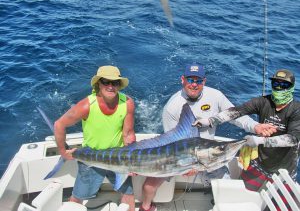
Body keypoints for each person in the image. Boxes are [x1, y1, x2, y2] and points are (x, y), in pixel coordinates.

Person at [139, 63, 276, 211]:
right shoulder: (172, 107)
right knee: (149, 185)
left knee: (226, 186)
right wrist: (187, 163)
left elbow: (235, 115)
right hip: (180, 158)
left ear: (203, 82)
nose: (194, 84)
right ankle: (145, 207)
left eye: (198, 81)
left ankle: (218, 202)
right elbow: (173, 142)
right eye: (190, 80)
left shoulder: (215, 96)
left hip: (211, 155)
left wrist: (255, 126)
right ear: (183, 80)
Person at [193, 69, 300, 192]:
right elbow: (237, 111)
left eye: (284, 84)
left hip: (284, 170)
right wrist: (211, 121)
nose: (279, 87)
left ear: (292, 87)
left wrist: (260, 140)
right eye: (276, 83)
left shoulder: (296, 110)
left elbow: (293, 139)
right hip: (260, 163)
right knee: (240, 194)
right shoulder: (263, 101)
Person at [54, 65, 136, 211]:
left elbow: (128, 134)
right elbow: (59, 124)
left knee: (128, 194)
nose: (111, 86)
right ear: (98, 83)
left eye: (115, 82)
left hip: (118, 157)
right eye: (106, 82)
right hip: (91, 156)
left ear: (119, 85)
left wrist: (132, 161)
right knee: (78, 196)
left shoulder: (127, 103)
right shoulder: (86, 105)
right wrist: (63, 152)